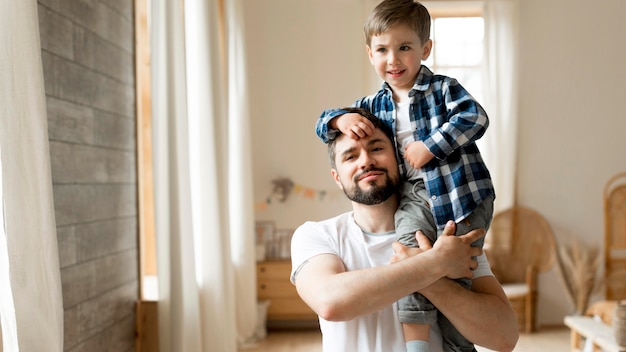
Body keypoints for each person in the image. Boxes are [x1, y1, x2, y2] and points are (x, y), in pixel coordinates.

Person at [316, 1, 495, 350]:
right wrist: (340, 120)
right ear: (370, 54)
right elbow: (323, 123)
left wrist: (430, 146)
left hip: (459, 193)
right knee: (410, 253)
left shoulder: (442, 89)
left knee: (458, 276)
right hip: (414, 193)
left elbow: (476, 117)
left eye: (405, 48)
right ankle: (418, 344)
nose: (393, 60)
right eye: (382, 49)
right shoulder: (371, 106)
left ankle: (459, 346)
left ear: (425, 49)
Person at [291, 108, 517, 352]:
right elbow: (330, 303)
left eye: (377, 148)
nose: (366, 161)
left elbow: (503, 338)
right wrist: (436, 263)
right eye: (350, 156)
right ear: (337, 177)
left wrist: (431, 272)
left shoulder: (450, 233)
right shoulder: (317, 235)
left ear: (399, 160)